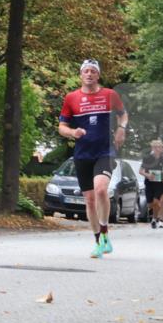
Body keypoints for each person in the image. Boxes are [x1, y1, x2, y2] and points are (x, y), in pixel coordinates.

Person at [57, 59, 128, 258]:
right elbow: (61, 128)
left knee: (101, 189)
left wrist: (121, 129)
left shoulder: (109, 94)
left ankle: (104, 232)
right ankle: (99, 241)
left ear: (98, 75)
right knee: (89, 200)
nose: (89, 74)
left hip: (105, 151)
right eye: (85, 71)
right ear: (81, 75)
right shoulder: (71, 98)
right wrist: (73, 132)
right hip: (82, 154)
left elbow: (123, 115)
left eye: (93, 71)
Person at [139, 139, 163, 229]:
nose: (158, 149)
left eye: (159, 147)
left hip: (160, 183)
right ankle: (155, 217)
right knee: (150, 204)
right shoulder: (147, 158)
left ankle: (155, 219)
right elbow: (141, 171)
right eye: (156, 147)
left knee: (158, 202)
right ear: (152, 148)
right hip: (149, 183)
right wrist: (148, 175)